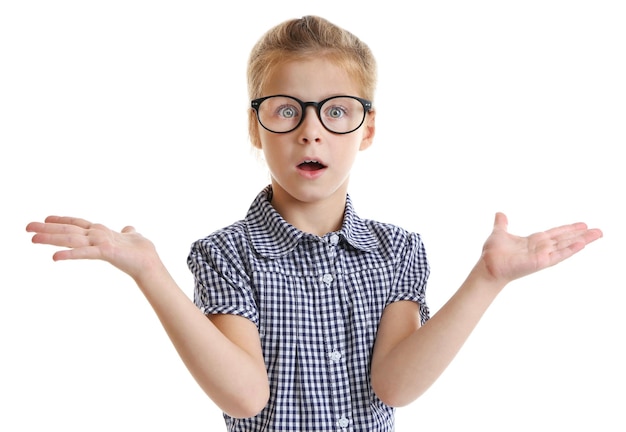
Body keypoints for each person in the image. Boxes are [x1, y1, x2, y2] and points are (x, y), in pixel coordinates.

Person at [25, 15, 602, 432]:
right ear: (256, 128)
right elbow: (245, 398)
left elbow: (396, 387)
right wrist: (149, 271)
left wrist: (488, 278)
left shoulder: (398, 250)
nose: (311, 131)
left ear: (367, 129)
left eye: (336, 110)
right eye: (285, 110)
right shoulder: (226, 254)